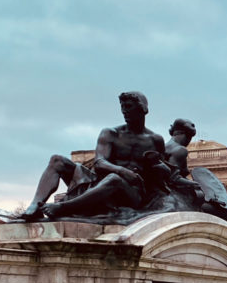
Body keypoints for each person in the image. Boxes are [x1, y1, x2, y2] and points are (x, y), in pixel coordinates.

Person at [20, 91, 168, 221]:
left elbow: (163, 176)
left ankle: (64, 207)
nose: (124, 111)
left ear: (143, 108)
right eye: (122, 107)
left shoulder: (155, 140)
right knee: (57, 160)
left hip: (132, 194)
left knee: (114, 179)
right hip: (101, 183)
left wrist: (159, 167)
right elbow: (99, 163)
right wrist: (123, 171)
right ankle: (35, 205)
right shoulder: (111, 133)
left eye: (129, 106)